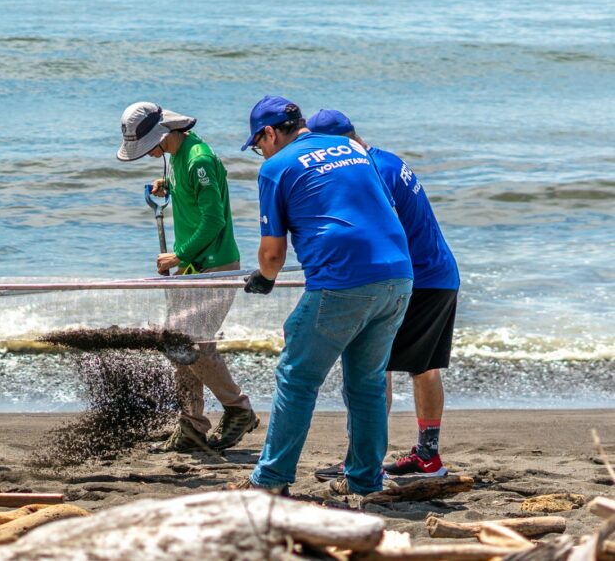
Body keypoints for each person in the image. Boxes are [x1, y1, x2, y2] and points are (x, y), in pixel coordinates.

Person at [237, 95, 413, 497]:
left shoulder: (275, 167)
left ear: (268, 133)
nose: (260, 152)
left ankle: (270, 480)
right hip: (398, 276)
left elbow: (272, 254)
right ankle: (365, 479)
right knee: (367, 384)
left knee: (296, 378)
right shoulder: (352, 148)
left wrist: (264, 279)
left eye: (258, 143)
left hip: (342, 282)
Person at [306, 109, 459, 479]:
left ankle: (364, 460)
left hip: (415, 278)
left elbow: (379, 231)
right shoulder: (387, 159)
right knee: (423, 369)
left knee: (373, 369)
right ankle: (427, 457)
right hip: (439, 274)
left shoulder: (370, 170)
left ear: (340, 142)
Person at [117, 101, 258, 452]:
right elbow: (194, 198)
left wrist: (178, 254)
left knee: (193, 344)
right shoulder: (179, 158)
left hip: (214, 264)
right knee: (177, 345)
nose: (147, 153)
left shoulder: (198, 161)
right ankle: (192, 424)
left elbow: (214, 221)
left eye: (147, 146)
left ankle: (238, 409)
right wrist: (168, 185)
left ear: (162, 133)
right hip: (192, 267)